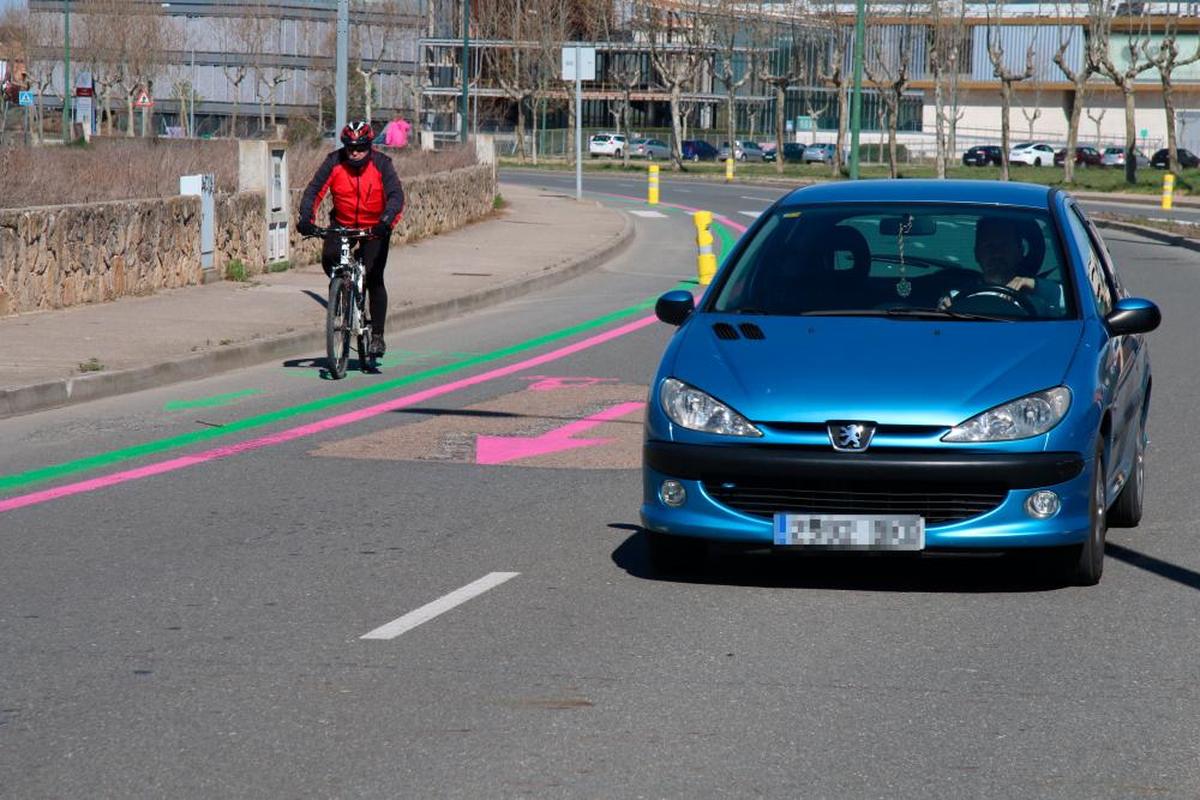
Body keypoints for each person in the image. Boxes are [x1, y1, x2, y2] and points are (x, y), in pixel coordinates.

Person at [297, 120, 405, 356]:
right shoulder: (334, 161)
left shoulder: (382, 164)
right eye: (350, 147)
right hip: (343, 223)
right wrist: (306, 218)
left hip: (375, 226)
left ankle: (377, 336)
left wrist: (385, 222)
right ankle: (343, 289)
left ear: (369, 146)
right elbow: (314, 190)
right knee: (330, 259)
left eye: (361, 147)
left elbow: (396, 196)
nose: (355, 152)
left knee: (374, 276)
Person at [941, 215, 1064, 315]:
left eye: (1004, 246)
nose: (996, 253)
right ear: (977, 254)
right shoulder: (956, 297)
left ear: (1020, 251)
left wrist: (1035, 285)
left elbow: (1075, 301)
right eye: (988, 247)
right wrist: (943, 312)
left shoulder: (1041, 296)